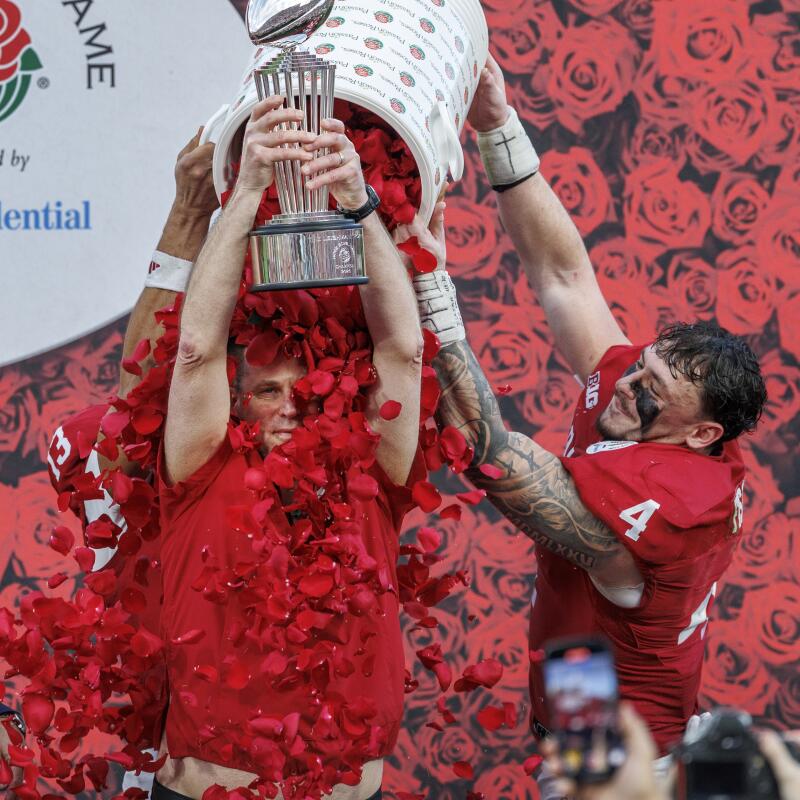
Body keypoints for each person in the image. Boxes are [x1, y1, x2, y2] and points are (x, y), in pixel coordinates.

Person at [409, 54, 766, 799]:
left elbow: (492, 455)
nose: (627, 382)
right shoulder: (648, 403)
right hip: (585, 679)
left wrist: (425, 278)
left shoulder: (670, 500)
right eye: (642, 366)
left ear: (700, 436)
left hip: (622, 752)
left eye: (653, 388)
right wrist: (497, 122)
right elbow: (564, 275)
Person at [154, 95, 423, 799]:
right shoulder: (199, 472)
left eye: (305, 392)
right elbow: (195, 350)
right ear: (236, 398)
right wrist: (245, 190)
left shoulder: (376, 475)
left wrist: (359, 203)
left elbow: (403, 347)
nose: (288, 406)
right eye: (267, 389)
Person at [1, 130, 221, 798]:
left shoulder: (265, 438)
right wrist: (187, 217)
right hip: (177, 748)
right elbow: (138, 406)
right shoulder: (114, 447)